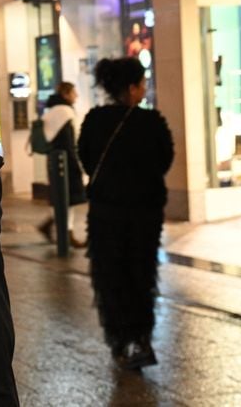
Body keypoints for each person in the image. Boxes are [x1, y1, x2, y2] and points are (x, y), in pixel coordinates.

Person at [77, 57, 174, 371]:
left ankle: (119, 340)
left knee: (110, 277)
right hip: (145, 214)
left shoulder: (94, 120)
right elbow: (165, 159)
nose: (144, 89)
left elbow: (86, 159)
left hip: (106, 213)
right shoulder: (153, 122)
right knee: (142, 274)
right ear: (131, 87)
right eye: (142, 83)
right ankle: (141, 338)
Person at [36, 82, 87, 248]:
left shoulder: (51, 111)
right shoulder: (65, 112)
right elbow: (68, 142)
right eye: (74, 92)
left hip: (53, 161)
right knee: (67, 198)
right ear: (66, 94)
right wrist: (77, 164)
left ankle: (51, 226)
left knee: (61, 198)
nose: (76, 96)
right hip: (66, 162)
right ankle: (66, 235)